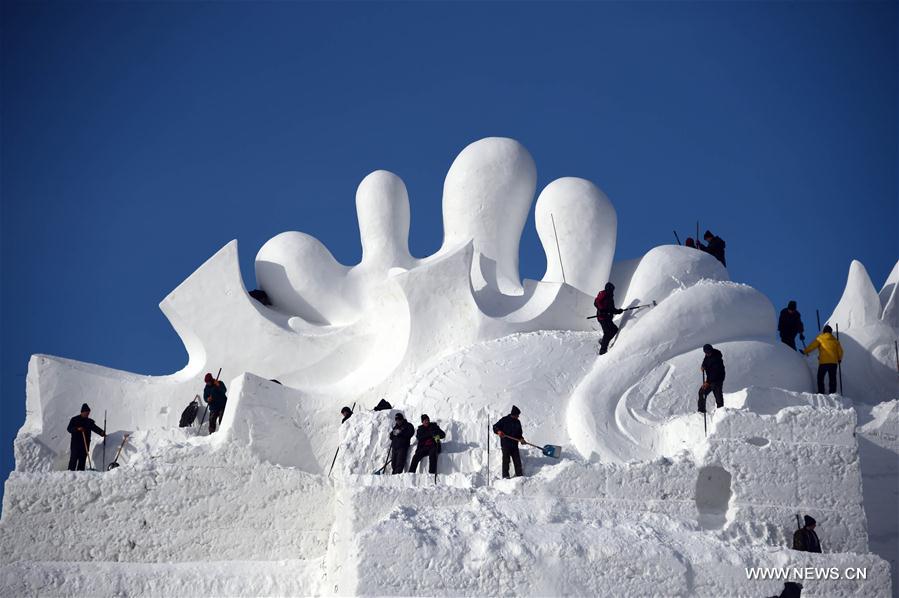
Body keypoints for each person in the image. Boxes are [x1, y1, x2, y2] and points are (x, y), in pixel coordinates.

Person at [803, 325, 843, 394]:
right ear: (830, 332)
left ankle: (821, 391)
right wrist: (839, 358)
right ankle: (832, 393)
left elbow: (812, 346)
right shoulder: (835, 340)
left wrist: (805, 351)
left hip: (824, 362)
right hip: (833, 363)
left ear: (824, 331)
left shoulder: (820, 338)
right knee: (832, 378)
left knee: (820, 377)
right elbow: (840, 351)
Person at [66, 403, 105, 471]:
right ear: (82, 412)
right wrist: (77, 429)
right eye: (86, 413)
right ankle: (70, 474)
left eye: (88, 413)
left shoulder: (89, 421)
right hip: (75, 444)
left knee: (82, 460)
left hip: (85, 444)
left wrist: (101, 432)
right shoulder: (74, 420)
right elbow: (69, 429)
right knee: (73, 459)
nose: (88, 414)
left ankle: (80, 475)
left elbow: (95, 428)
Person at [492, 405, 525, 478]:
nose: (518, 417)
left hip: (514, 445)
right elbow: (495, 427)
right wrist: (499, 431)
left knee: (517, 461)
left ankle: (520, 476)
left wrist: (521, 439)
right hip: (506, 444)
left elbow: (519, 434)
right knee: (506, 461)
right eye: (517, 415)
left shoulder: (518, 422)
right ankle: (505, 476)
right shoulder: (504, 420)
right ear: (513, 414)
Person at [594, 282, 624, 355]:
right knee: (607, 332)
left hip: (607, 318)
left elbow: (611, 309)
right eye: (612, 289)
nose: (613, 291)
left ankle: (603, 341)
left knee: (614, 330)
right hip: (602, 318)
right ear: (608, 288)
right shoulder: (603, 294)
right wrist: (601, 310)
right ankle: (602, 350)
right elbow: (596, 302)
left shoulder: (610, 297)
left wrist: (618, 311)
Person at [698, 344, 726, 413]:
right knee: (702, 392)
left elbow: (714, 373)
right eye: (706, 353)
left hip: (718, 379)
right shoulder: (708, 355)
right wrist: (703, 366)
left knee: (718, 396)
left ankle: (721, 413)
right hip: (710, 379)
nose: (708, 354)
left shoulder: (717, 358)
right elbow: (705, 360)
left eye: (709, 352)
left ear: (712, 350)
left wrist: (707, 383)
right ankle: (701, 411)